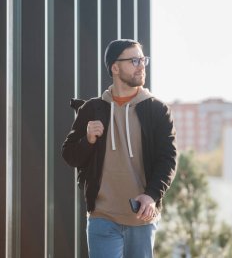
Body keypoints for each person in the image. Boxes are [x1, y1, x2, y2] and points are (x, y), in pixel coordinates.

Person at [62, 39, 177, 258]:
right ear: (115, 67)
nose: (141, 65)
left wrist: (151, 195)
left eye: (143, 60)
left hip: (141, 218)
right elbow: (70, 155)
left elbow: (168, 159)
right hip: (101, 217)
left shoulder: (158, 110)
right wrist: (88, 140)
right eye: (134, 60)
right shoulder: (92, 109)